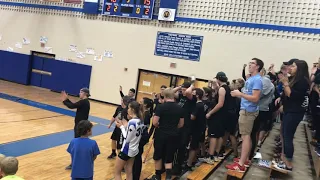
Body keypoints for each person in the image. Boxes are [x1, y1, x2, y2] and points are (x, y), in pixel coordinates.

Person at [226, 58, 264, 172]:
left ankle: (241, 164)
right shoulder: (252, 78)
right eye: (249, 63)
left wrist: (240, 94)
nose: (249, 65)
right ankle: (245, 159)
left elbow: (255, 98)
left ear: (257, 67)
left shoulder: (257, 80)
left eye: (252, 63)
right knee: (246, 136)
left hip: (248, 111)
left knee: (245, 136)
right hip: (247, 109)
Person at [275, 60, 310, 171]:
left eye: (293, 66)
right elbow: (286, 94)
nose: (290, 68)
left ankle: (288, 163)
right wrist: (282, 101)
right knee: (284, 134)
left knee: (288, 136)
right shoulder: (294, 79)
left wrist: (285, 83)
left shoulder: (302, 82)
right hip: (289, 110)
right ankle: (284, 158)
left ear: (299, 68)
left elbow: (291, 94)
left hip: (295, 112)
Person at [151, 88, 184, 180]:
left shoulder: (161, 107)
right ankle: (168, 176)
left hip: (161, 134)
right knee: (169, 155)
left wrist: (160, 126)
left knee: (158, 154)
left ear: (165, 96)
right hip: (173, 135)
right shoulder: (179, 108)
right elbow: (181, 124)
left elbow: (154, 122)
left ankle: (158, 175)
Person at [61, 88, 91, 170]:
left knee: (76, 145)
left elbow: (72, 106)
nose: (79, 93)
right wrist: (67, 99)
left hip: (80, 127)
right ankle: (80, 162)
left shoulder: (83, 102)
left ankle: (74, 163)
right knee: (80, 145)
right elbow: (74, 105)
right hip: (82, 126)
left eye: (81, 92)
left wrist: (65, 100)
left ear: (85, 94)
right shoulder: (85, 102)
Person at [114, 101, 144, 180]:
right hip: (134, 149)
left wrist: (121, 127)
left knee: (117, 172)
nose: (127, 109)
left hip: (127, 149)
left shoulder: (132, 122)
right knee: (129, 171)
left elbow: (127, 138)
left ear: (132, 109)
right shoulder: (141, 120)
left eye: (129, 108)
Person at [205, 72, 230, 164]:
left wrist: (210, 113)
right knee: (219, 135)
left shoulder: (222, 89)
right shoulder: (227, 88)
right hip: (224, 115)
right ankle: (216, 154)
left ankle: (210, 156)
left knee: (213, 136)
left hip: (218, 115)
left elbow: (220, 104)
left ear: (219, 79)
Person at [172, 80, 196, 175]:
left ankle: (178, 167)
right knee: (175, 146)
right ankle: (173, 165)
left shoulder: (191, 98)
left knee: (182, 146)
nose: (183, 91)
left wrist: (192, 86)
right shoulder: (181, 96)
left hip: (186, 126)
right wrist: (179, 87)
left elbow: (188, 92)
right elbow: (170, 92)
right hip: (178, 125)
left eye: (184, 90)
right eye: (182, 90)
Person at [133, 98, 153, 180]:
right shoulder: (143, 113)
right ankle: (134, 175)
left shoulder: (146, 114)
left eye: (141, 101)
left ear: (145, 104)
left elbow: (145, 127)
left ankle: (135, 176)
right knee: (136, 157)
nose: (139, 102)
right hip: (140, 137)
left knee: (137, 158)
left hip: (141, 138)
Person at [186, 88, 206, 171]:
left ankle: (189, 164)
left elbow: (193, 117)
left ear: (197, 95)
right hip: (200, 127)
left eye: (193, 93)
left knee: (193, 146)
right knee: (196, 145)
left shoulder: (198, 105)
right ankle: (193, 160)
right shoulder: (202, 104)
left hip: (196, 128)